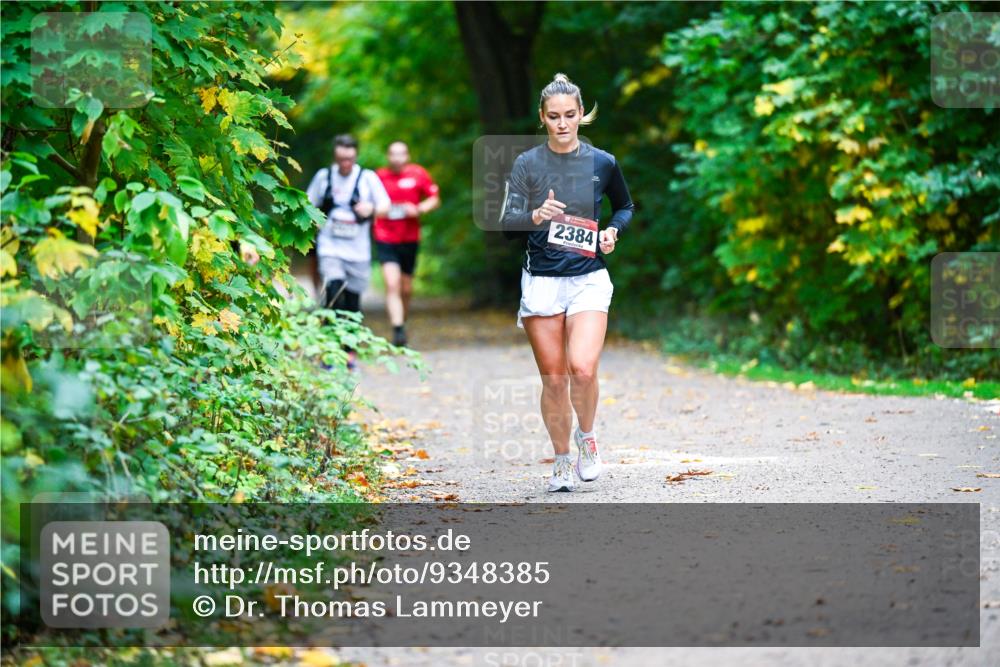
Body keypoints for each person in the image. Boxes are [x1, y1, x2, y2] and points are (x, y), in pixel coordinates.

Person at [500, 73, 635, 493]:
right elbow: (506, 225)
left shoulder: (602, 162)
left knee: (582, 367)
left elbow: (625, 207)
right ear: (542, 118)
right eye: (554, 116)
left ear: (582, 117)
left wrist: (613, 231)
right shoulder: (527, 164)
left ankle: (588, 438)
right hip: (541, 281)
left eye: (570, 115)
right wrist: (535, 216)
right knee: (554, 379)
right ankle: (561, 460)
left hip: (588, 278)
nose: (562, 123)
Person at [306, 134, 390, 369]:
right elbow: (307, 205)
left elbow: (386, 206)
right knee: (333, 290)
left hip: (358, 250)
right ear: (335, 155)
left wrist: (371, 208)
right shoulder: (324, 177)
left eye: (350, 159)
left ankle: (349, 350)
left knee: (353, 301)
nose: (346, 164)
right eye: (342, 159)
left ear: (355, 155)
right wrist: (316, 221)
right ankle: (328, 350)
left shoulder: (367, 178)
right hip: (330, 246)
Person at [374, 141, 440, 347]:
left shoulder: (417, 174)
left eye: (401, 154)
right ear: (388, 156)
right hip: (384, 236)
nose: (397, 158)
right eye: (393, 154)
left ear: (407, 155)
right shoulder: (378, 177)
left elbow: (434, 198)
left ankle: (402, 318)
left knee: (406, 288)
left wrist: (419, 209)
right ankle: (398, 330)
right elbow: (366, 201)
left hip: (409, 238)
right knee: (392, 284)